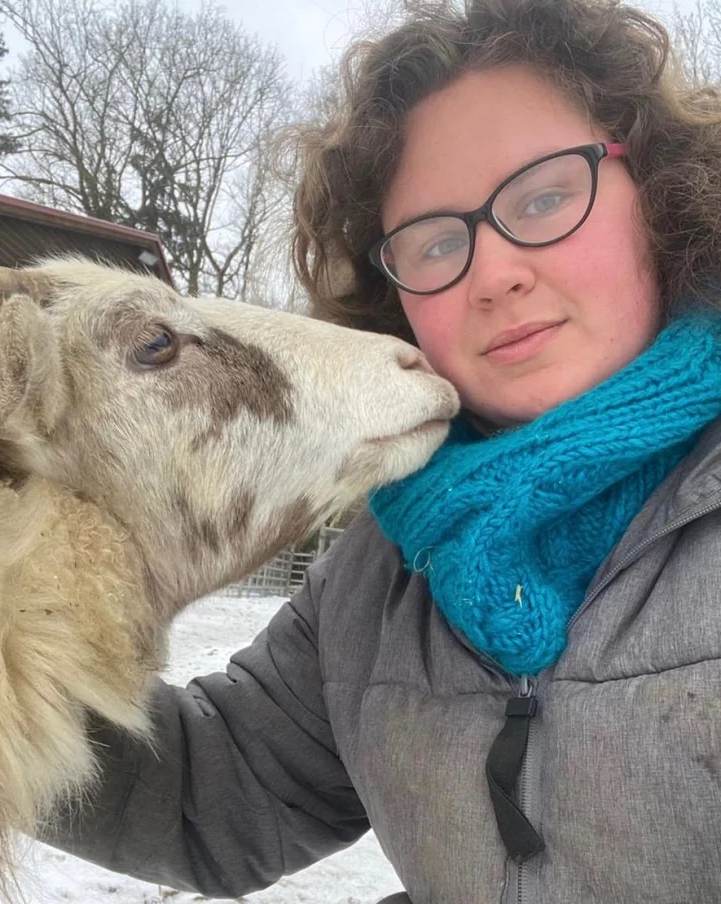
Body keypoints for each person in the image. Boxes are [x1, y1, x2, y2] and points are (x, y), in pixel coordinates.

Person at [39, 0, 721, 900]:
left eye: (547, 195)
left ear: (665, 196)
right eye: (436, 241)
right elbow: (222, 791)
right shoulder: (384, 565)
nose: (495, 272)